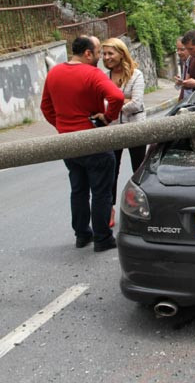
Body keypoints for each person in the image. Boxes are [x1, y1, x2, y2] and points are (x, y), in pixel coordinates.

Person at [40, 36, 124, 252]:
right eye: (97, 53)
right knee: (101, 191)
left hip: (67, 142)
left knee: (78, 190)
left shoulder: (54, 73)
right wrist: (107, 117)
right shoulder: (92, 73)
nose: (100, 57)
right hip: (92, 140)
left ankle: (81, 235)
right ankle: (102, 238)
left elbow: (46, 107)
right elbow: (116, 96)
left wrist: (62, 126)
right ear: (87, 53)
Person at [102, 37, 147, 228]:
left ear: (121, 54)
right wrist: (123, 100)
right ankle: (109, 208)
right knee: (111, 170)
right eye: (104, 54)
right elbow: (100, 103)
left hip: (135, 128)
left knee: (139, 169)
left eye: (110, 53)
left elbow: (137, 103)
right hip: (113, 130)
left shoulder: (136, 75)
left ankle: (140, 207)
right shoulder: (103, 77)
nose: (106, 57)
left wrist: (113, 103)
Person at [174, 37, 193, 101]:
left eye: (182, 49)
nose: (179, 53)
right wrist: (179, 83)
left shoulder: (193, 63)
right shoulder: (186, 63)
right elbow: (182, 87)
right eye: (177, 50)